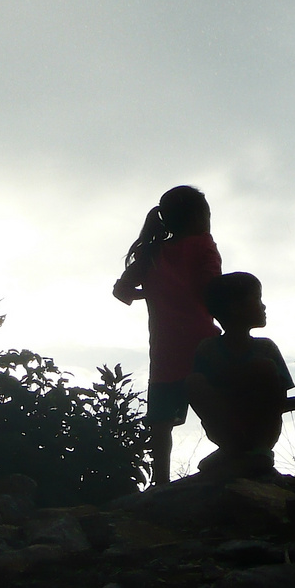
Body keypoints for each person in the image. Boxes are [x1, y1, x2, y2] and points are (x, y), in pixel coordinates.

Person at [113, 185, 221, 486]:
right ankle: (233, 456)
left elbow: (120, 291)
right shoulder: (203, 245)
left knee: (160, 423)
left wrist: (149, 292)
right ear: (199, 216)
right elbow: (212, 288)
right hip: (202, 344)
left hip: (165, 350)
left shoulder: (151, 253)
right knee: (215, 408)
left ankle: (160, 483)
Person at [186, 272, 293, 479]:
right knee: (194, 381)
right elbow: (200, 391)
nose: (263, 307)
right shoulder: (208, 349)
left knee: (265, 367)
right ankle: (230, 448)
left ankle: (261, 449)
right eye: (257, 299)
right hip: (225, 420)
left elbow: (280, 397)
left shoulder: (266, 348)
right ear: (236, 308)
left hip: (261, 421)